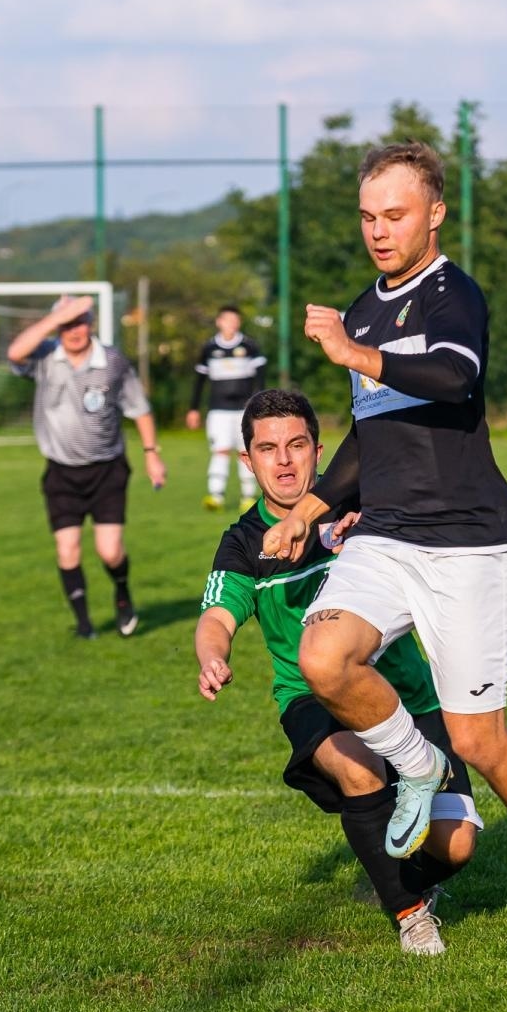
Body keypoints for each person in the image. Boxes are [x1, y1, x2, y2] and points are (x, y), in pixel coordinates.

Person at [261, 141, 507, 952]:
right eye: (369, 216)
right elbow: (371, 437)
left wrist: (354, 353)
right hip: (388, 538)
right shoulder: (363, 309)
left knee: (479, 738)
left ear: (434, 213)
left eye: (396, 214)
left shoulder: (452, 297)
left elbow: (453, 380)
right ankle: (414, 764)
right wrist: (312, 504)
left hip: (470, 547)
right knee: (325, 660)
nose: (379, 230)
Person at [195, 388, 481, 955]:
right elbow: (218, 615)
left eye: (296, 445)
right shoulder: (243, 543)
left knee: (457, 847)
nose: (283, 461)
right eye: (268, 449)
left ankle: (393, 879)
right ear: (247, 461)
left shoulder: (368, 506)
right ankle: (410, 915)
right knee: (359, 767)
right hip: (311, 698)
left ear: (319, 452)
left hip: (408, 695)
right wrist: (213, 653)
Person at [7, 295, 167, 639]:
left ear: (91, 324)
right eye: (67, 324)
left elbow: (139, 409)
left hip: (107, 469)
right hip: (61, 471)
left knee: (109, 551)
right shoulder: (46, 355)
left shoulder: (111, 361)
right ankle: (84, 625)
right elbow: (14, 353)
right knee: (67, 549)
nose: (74, 331)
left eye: (79, 322)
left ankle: (122, 590)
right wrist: (57, 317)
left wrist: (152, 453)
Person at [186, 304, 267, 512]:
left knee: (245, 451)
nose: (231, 324)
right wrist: (193, 408)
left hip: (244, 410)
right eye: (227, 320)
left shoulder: (250, 346)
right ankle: (216, 496)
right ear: (219, 322)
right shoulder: (209, 348)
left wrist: (260, 406)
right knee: (220, 450)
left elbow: (260, 380)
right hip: (218, 410)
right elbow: (199, 381)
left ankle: (248, 497)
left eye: (235, 320)